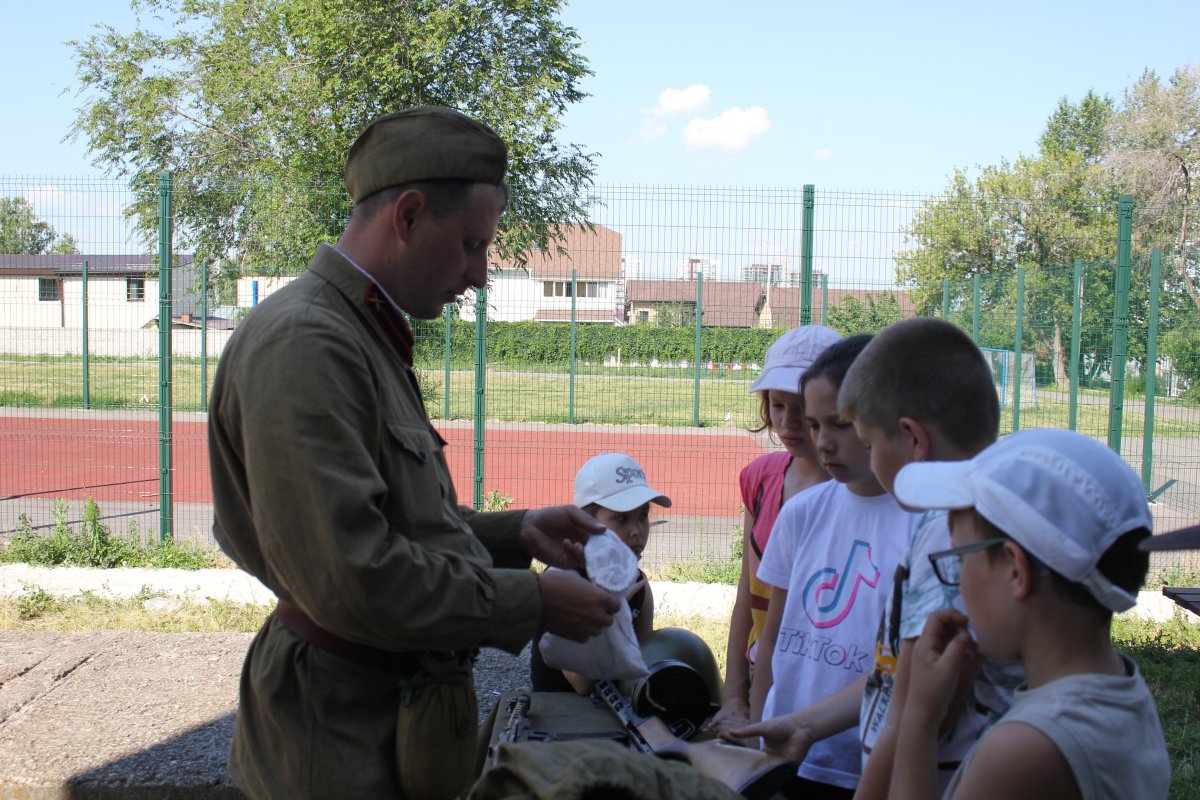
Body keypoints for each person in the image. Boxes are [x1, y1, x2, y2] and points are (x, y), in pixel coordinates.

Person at [208, 107, 620, 800]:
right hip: (337, 737)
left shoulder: (360, 333)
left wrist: (510, 531)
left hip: (381, 720)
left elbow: (397, 521)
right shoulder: (308, 344)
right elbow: (353, 577)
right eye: (469, 244)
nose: (481, 273)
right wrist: (532, 600)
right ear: (407, 215)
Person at [729, 317, 1020, 798]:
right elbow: (893, 679)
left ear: (909, 436)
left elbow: (918, 706)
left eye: (851, 429)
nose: (822, 441)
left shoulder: (945, 534)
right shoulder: (814, 514)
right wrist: (784, 728)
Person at [886, 428, 1170, 799]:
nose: (959, 583)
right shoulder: (1120, 690)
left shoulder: (1025, 747)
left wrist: (919, 717)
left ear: (1015, 570)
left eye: (959, 559)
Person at [747, 334, 918, 798]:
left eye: (840, 424)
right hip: (786, 755)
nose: (823, 442)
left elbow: (912, 668)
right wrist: (758, 734)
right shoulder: (802, 513)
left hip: (865, 766)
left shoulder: (925, 528)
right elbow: (772, 638)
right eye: (815, 424)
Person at [707, 325, 842, 737]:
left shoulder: (855, 493)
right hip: (760, 678)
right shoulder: (761, 478)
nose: (788, 422)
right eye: (777, 405)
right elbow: (746, 597)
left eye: (801, 407)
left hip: (827, 692)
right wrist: (734, 697)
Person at [530, 452, 671, 693]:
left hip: (616, 711)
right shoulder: (563, 582)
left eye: (643, 516)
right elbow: (582, 683)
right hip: (560, 715)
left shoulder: (638, 585)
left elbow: (642, 662)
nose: (637, 530)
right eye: (621, 518)